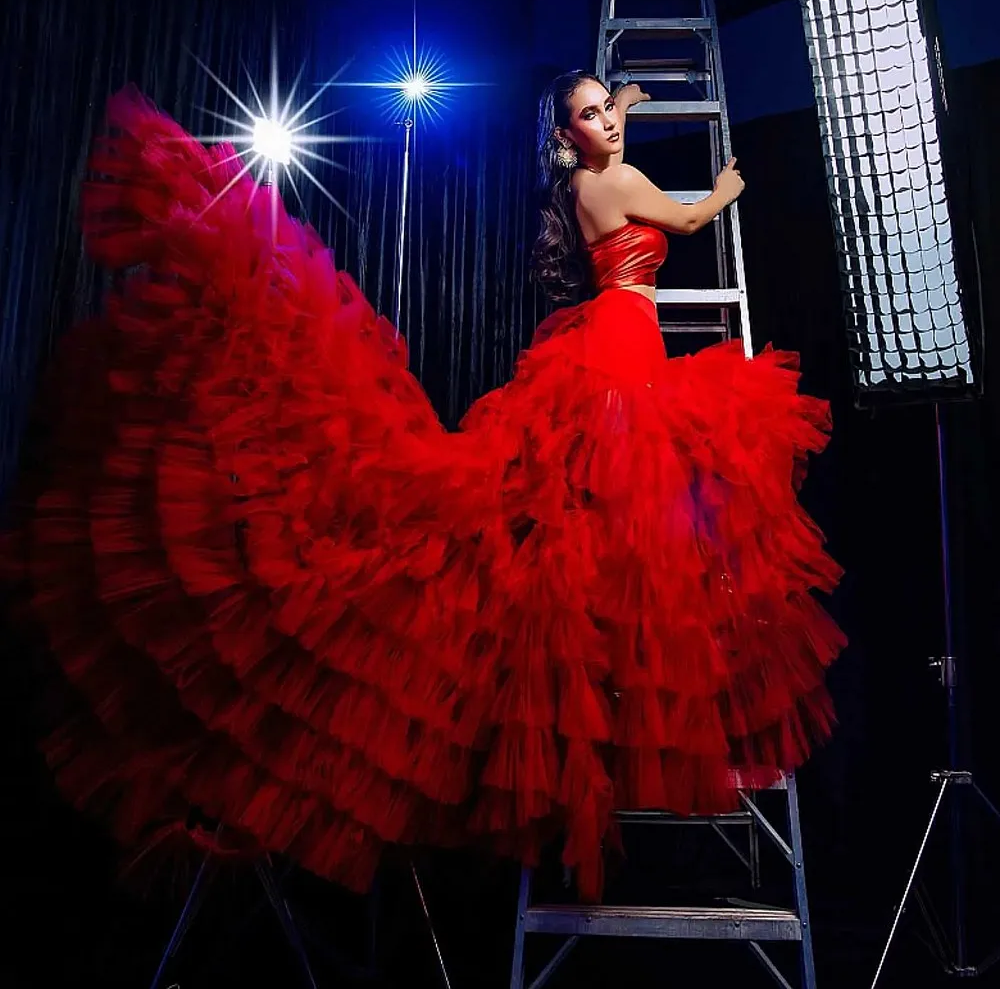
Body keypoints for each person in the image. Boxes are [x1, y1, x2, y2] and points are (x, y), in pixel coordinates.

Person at [3, 71, 845, 902]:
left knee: (587, 542)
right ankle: (617, 722)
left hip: (608, 353)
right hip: (623, 362)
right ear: (565, 138)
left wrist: (619, 107)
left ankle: (601, 714)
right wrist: (730, 183)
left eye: (606, 110)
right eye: (589, 116)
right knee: (631, 539)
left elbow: (608, 151)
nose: (609, 124)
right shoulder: (615, 180)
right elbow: (691, 217)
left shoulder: (590, 179)